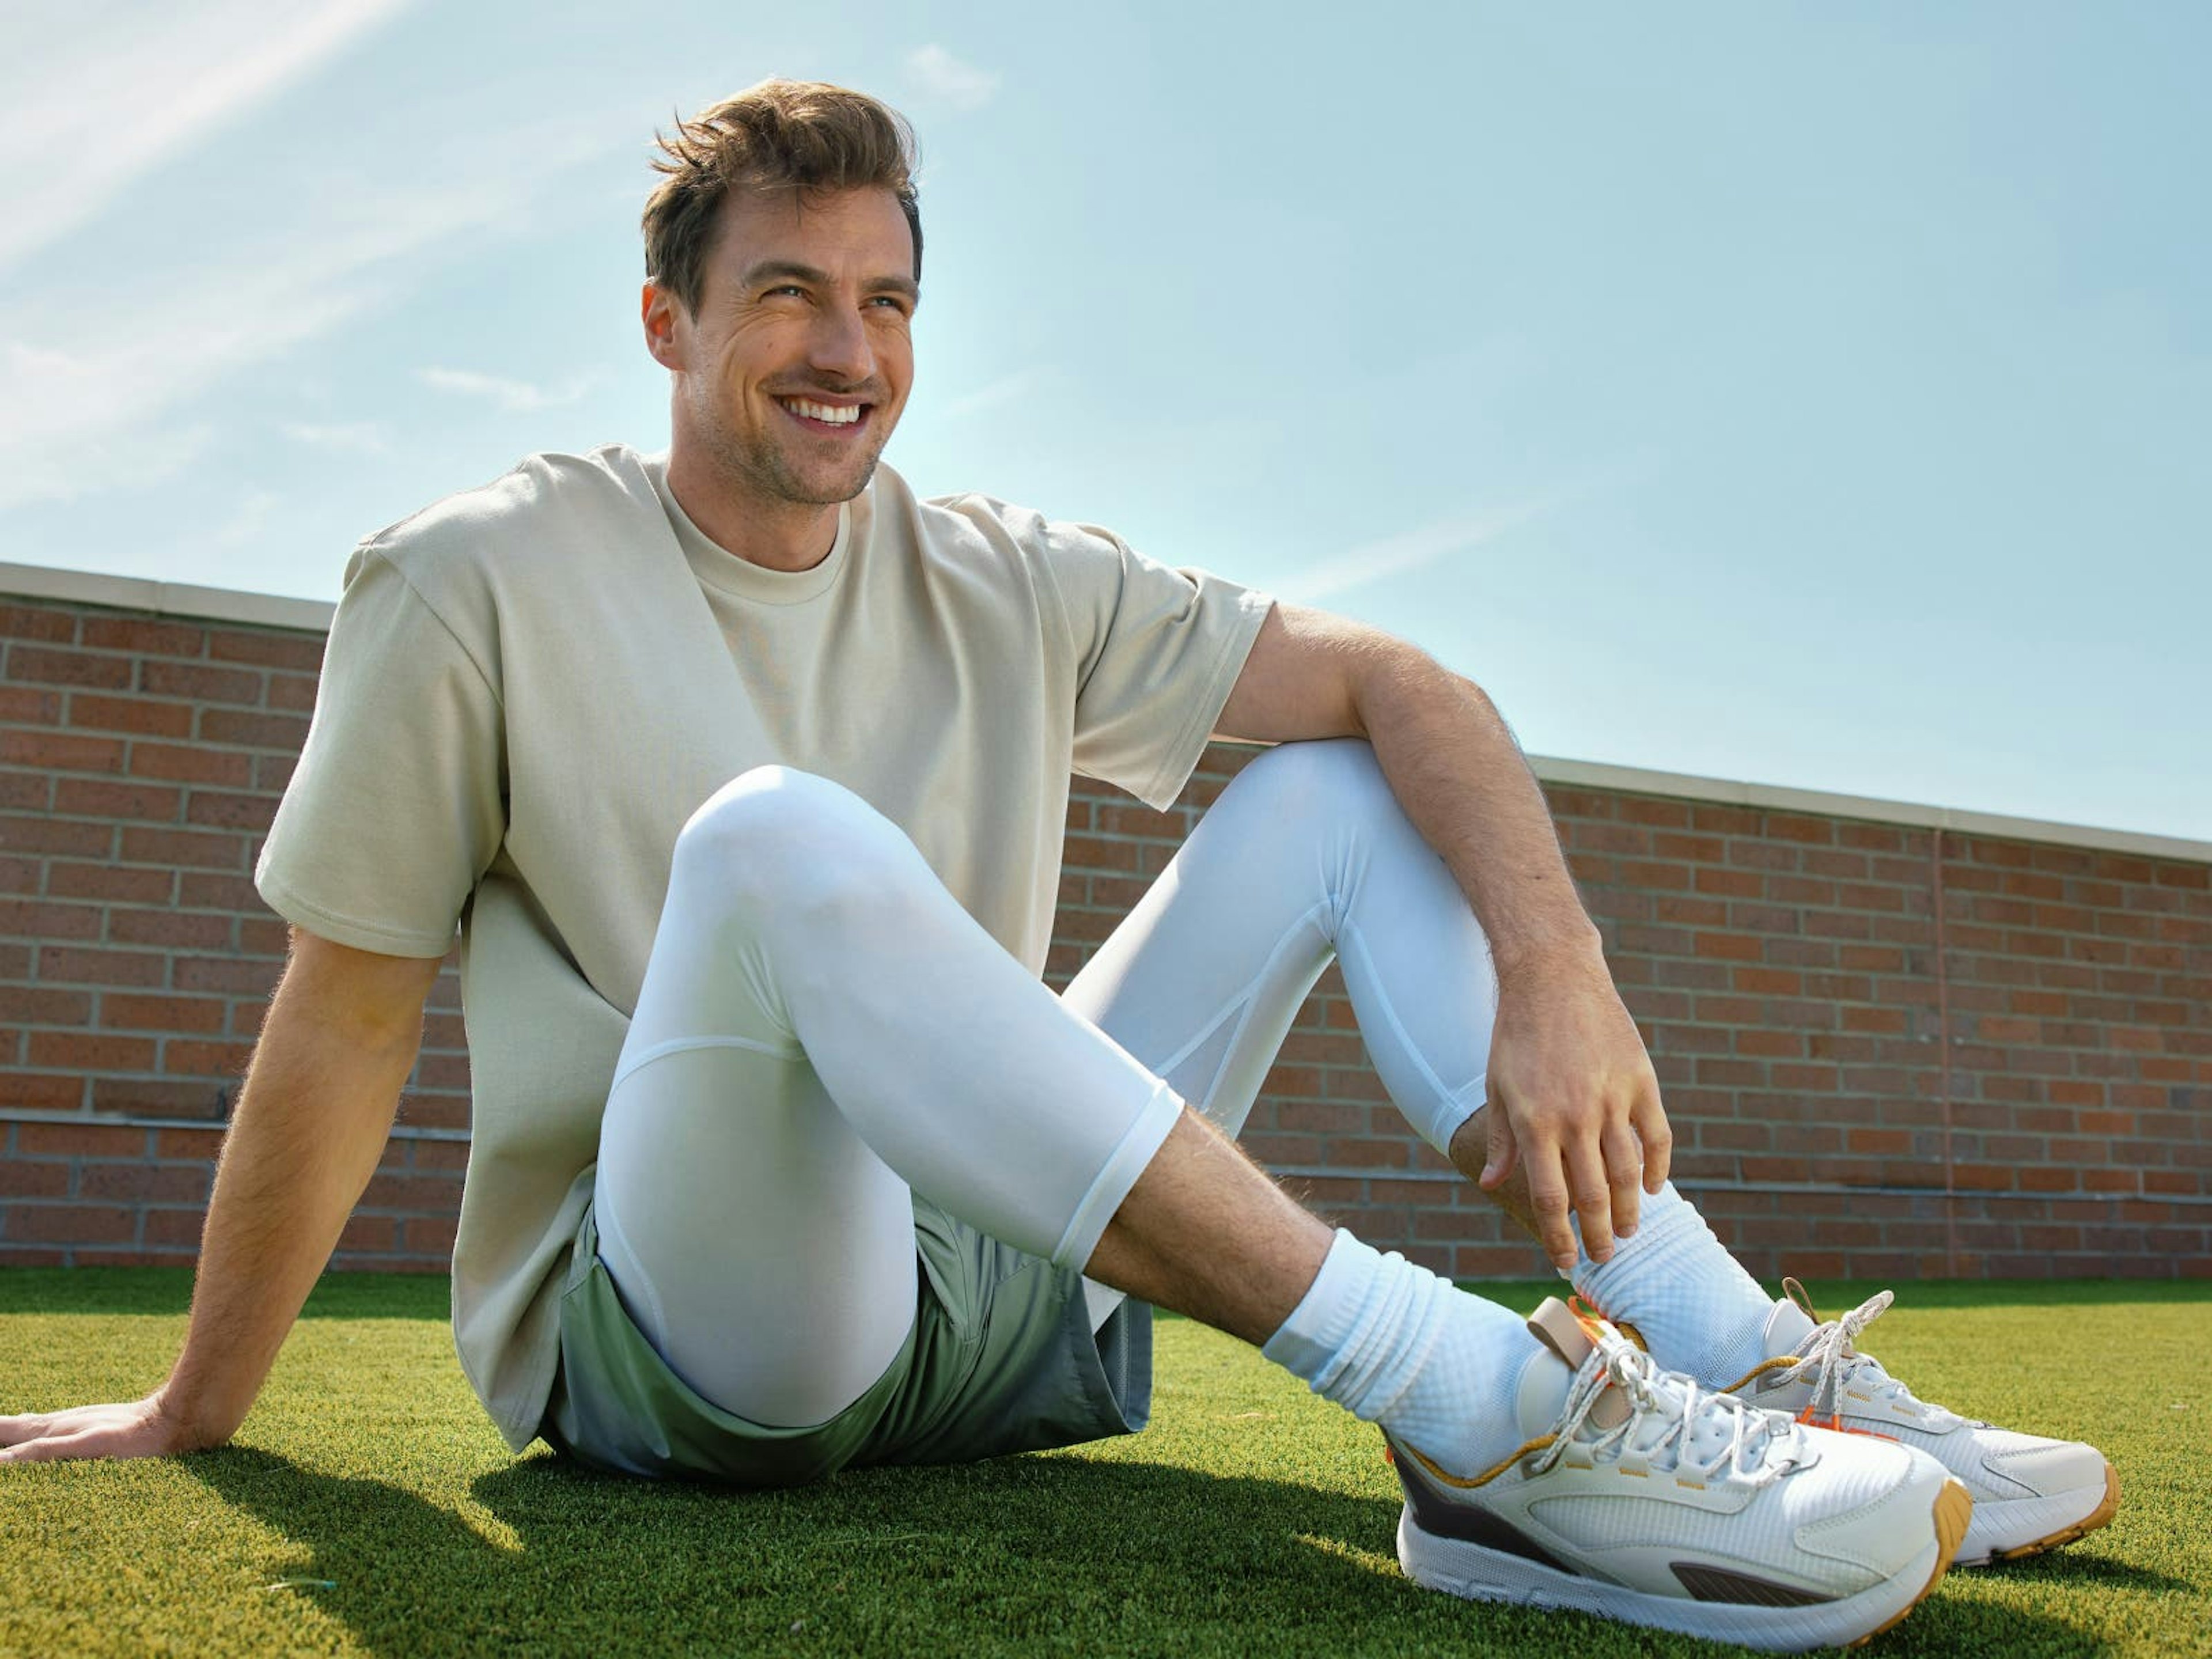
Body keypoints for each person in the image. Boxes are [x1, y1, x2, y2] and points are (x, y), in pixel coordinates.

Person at [0, 79, 2114, 1649]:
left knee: (1340, 784)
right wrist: (201, 1404)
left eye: (889, 301)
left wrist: (1562, 969)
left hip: (995, 1306)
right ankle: (1481, 1406)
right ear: (664, 321)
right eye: (790, 297)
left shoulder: (1002, 573)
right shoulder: (472, 579)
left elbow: (1411, 680)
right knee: (776, 845)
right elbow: (347, 1001)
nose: (848, 350)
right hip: (712, 1344)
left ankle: (1737, 1357)